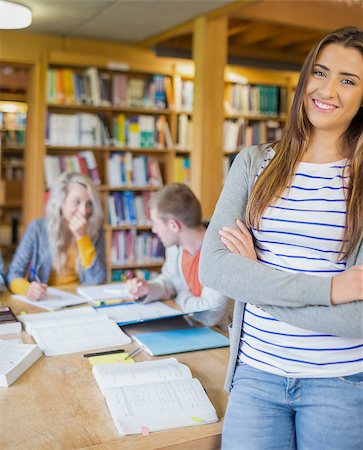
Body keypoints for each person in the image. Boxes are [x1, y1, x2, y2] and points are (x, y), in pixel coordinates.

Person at [200, 27, 363, 450]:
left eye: (349, 80)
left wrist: (252, 279)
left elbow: (358, 318)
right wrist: (330, 289)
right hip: (256, 378)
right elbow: (214, 266)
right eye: (320, 72)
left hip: (341, 385)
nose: (327, 90)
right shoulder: (254, 163)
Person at [127, 183, 232, 328]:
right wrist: (149, 289)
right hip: (193, 330)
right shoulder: (175, 248)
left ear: (173, 226)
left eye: (156, 223)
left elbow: (210, 314)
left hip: (220, 338)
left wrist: (180, 295)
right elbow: (170, 281)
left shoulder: (222, 252)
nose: (154, 229)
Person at [8, 172, 105, 300]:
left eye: (89, 204)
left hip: (82, 300)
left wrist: (83, 238)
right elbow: (14, 274)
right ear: (61, 201)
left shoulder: (95, 230)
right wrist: (28, 290)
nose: (84, 211)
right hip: (46, 301)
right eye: (77, 202)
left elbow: (96, 280)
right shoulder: (37, 228)